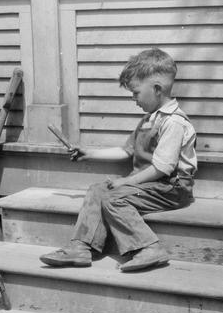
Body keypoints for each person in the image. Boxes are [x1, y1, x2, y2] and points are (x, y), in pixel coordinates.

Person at [40, 47, 197, 272]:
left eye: (135, 93)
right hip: (151, 184)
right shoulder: (148, 120)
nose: (134, 99)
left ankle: (148, 247)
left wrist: (126, 182)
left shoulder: (173, 122)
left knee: (114, 198)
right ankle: (81, 247)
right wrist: (89, 154)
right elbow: (126, 151)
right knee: (97, 190)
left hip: (171, 187)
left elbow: (163, 168)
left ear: (157, 89)